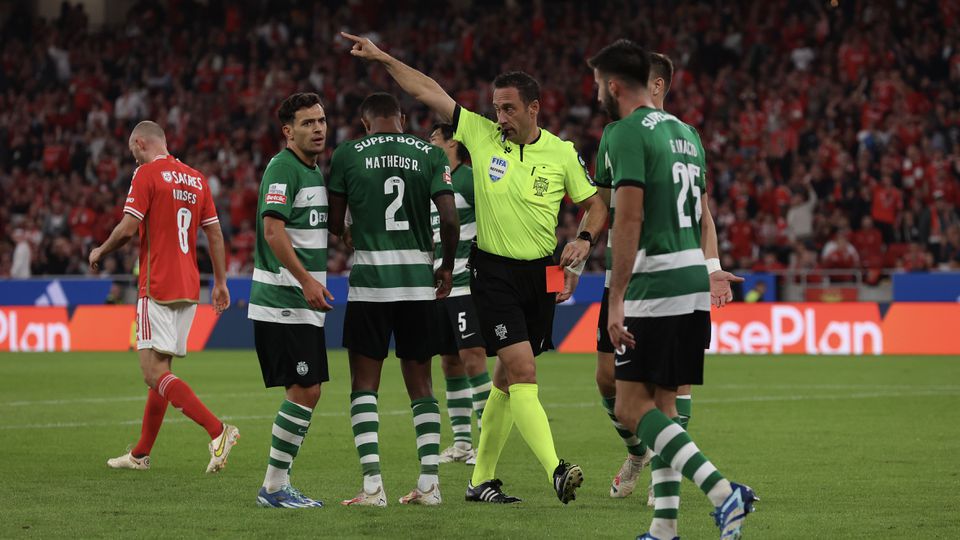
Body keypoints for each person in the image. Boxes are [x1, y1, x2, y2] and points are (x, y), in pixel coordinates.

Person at [342, 31, 607, 505]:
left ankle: (479, 480)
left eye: (508, 109)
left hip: (540, 273)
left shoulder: (562, 153)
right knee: (521, 370)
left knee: (505, 381)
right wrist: (383, 57)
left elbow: (596, 206)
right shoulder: (481, 136)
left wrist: (582, 245)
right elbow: (429, 92)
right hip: (492, 273)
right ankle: (557, 469)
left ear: (533, 109)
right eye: (496, 107)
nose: (499, 117)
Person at [591, 40, 756, 540]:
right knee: (665, 406)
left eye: (598, 83)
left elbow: (630, 217)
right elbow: (700, 212)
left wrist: (616, 297)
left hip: (655, 281)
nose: (597, 91)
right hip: (690, 278)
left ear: (614, 84)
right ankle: (664, 528)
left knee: (628, 406)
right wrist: (712, 266)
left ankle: (724, 492)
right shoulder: (687, 133)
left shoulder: (622, 133)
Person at [327, 92, 459, 507]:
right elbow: (450, 218)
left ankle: (372, 487)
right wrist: (447, 267)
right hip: (418, 285)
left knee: (364, 385)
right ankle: (429, 485)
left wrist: (349, 234)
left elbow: (335, 222)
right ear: (402, 118)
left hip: (370, 285)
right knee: (422, 385)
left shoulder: (347, 154)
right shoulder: (430, 154)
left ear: (365, 123)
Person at [91, 120, 238, 475]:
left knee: (151, 371)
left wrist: (101, 249)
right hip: (189, 286)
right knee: (163, 371)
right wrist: (220, 281)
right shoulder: (196, 178)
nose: (133, 158)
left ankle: (218, 431)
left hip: (156, 283)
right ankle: (140, 453)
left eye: (132, 152)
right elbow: (215, 233)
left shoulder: (146, 174)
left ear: (140, 143)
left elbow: (127, 229)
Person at [248, 92, 335, 509]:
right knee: (305, 389)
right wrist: (306, 282)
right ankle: (273, 486)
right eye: (307, 123)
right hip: (282, 299)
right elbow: (272, 232)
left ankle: (277, 484)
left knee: (308, 390)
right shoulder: (284, 168)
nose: (318, 129)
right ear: (288, 131)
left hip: (301, 301)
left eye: (321, 120)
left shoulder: (312, 170)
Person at [428, 123, 491, 466]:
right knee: (449, 361)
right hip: (441, 286)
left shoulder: (469, 177)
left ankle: (486, 443)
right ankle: (462, 443)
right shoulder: (437, 182)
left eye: (434, 138)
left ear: (453, 141)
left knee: (472, 358)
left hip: (467, 281)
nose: (430, 144)